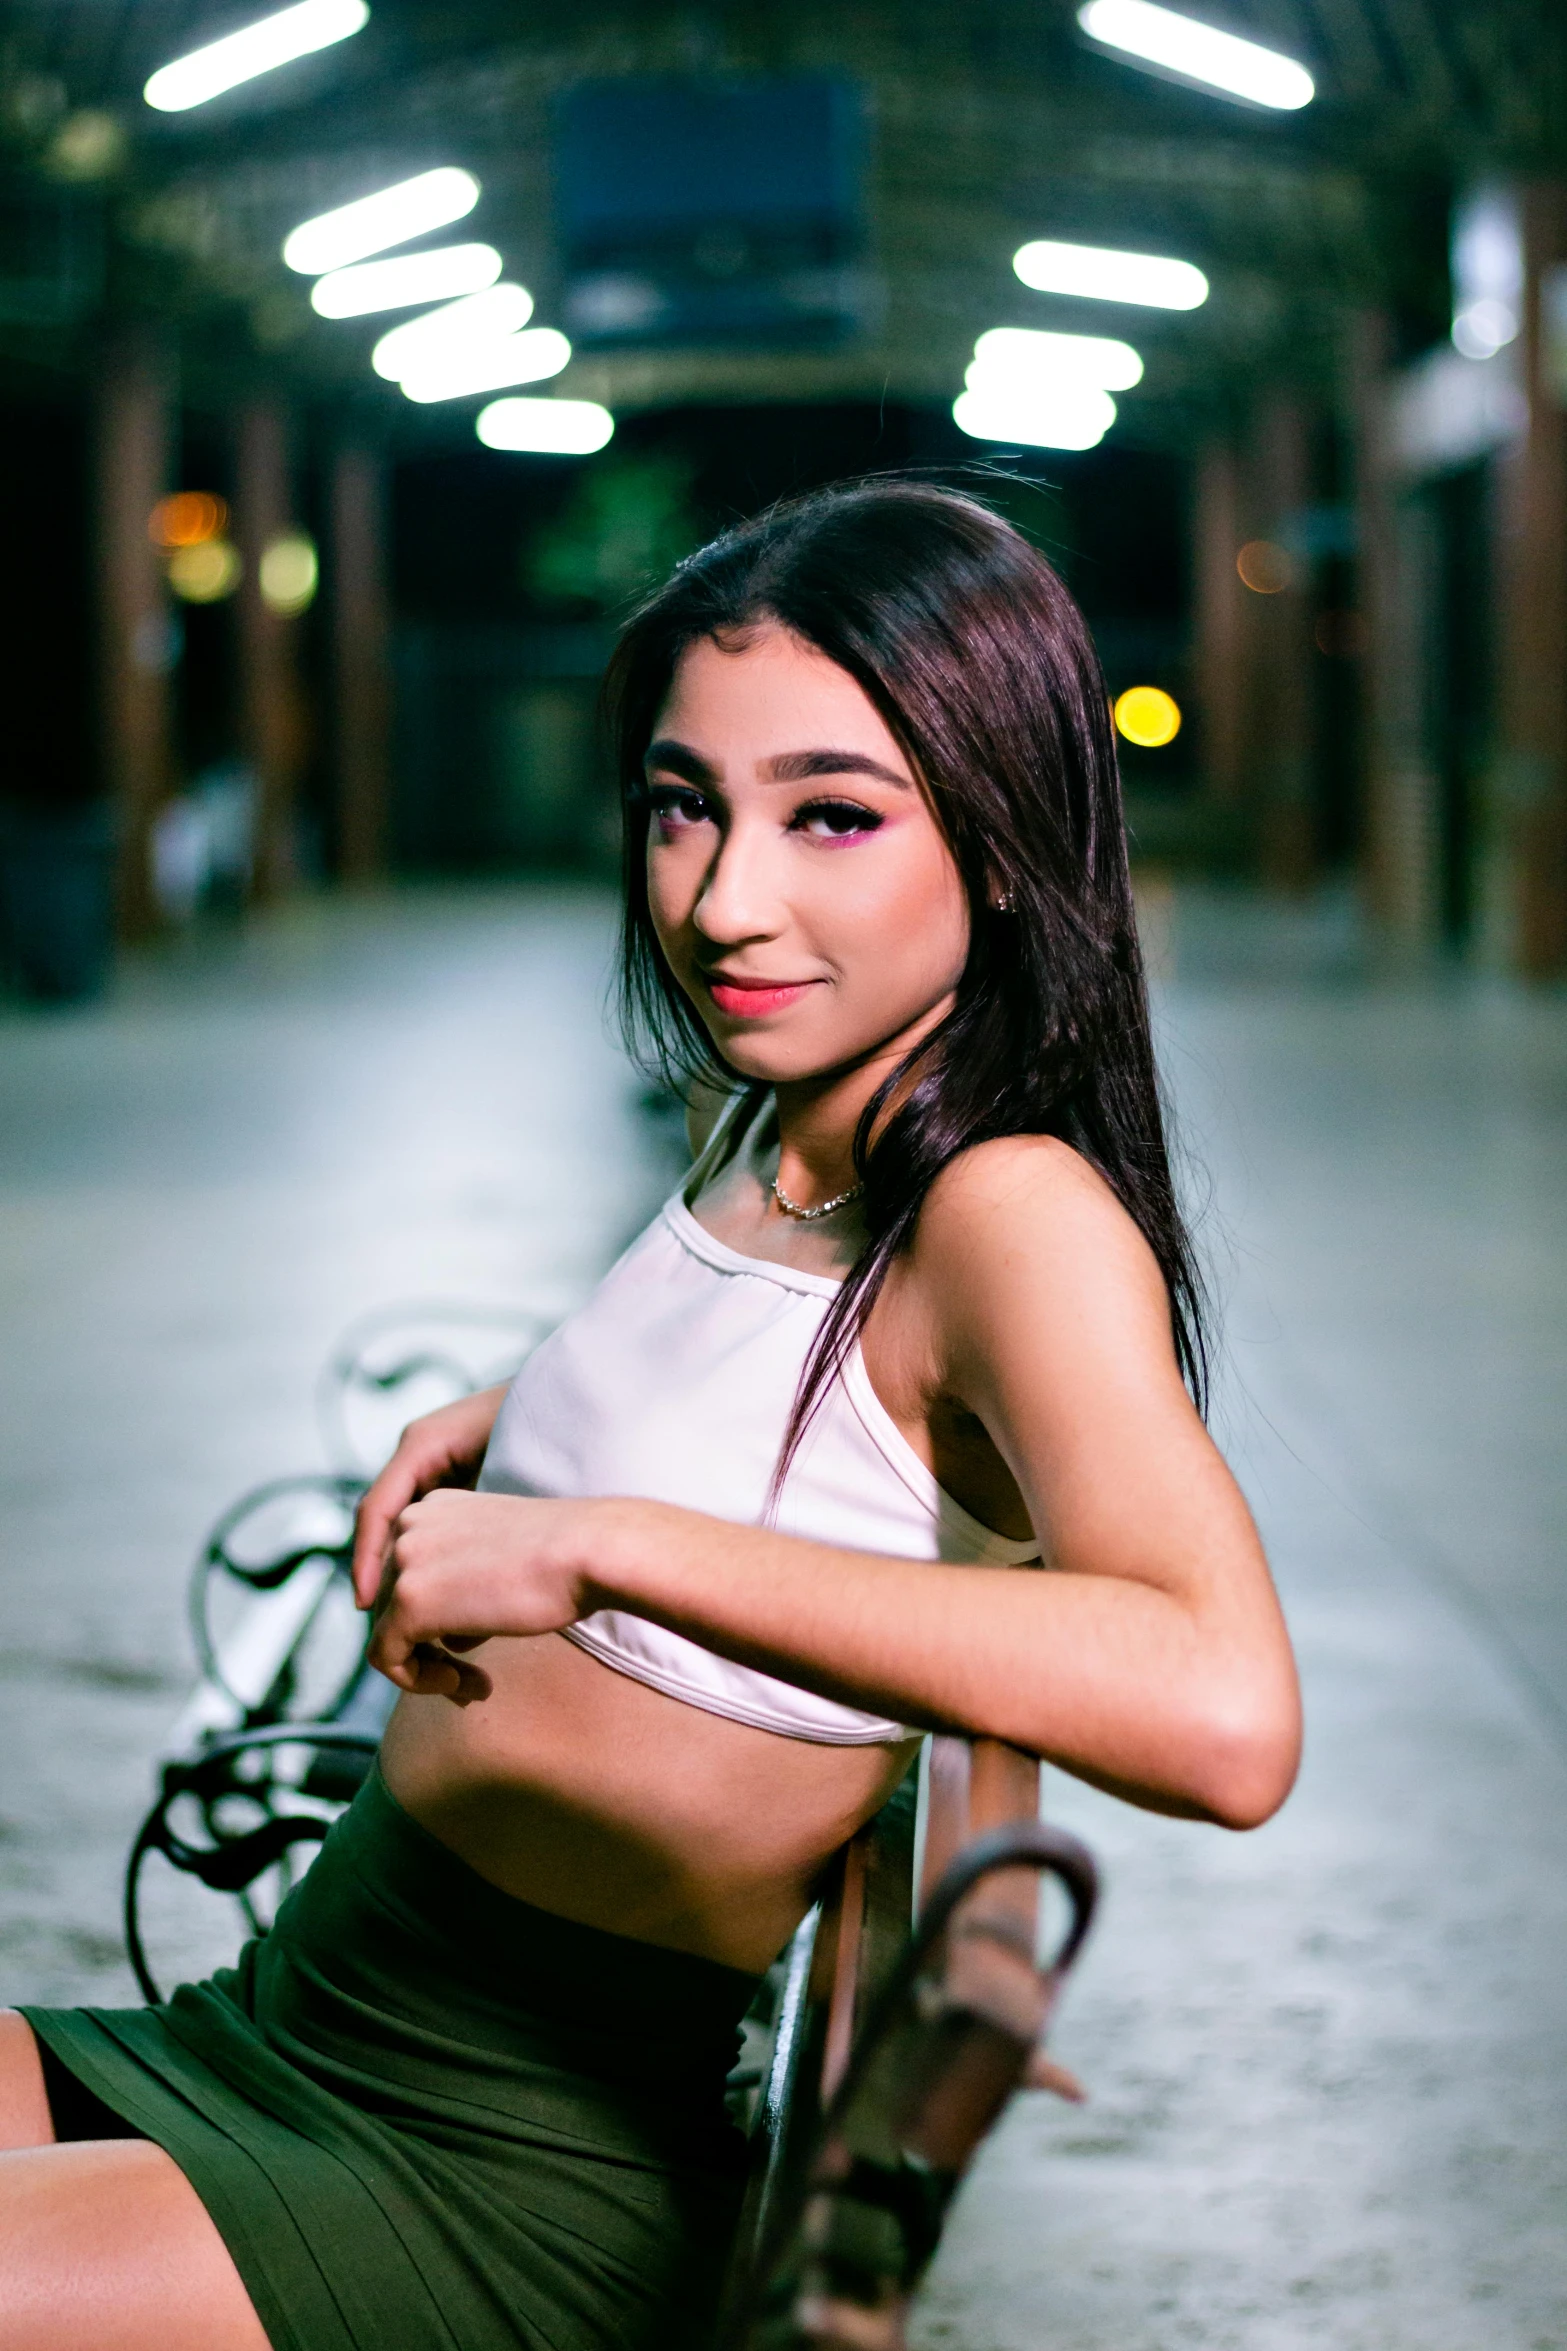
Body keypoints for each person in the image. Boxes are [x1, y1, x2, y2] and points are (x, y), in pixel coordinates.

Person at [0, 481, 1301, 2351]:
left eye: (831, 815)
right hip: (313, 2017)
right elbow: (792, 1400)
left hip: (485, 2169)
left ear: (1005, 840)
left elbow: (1224, 1709)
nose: (721, 898)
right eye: (685, 803)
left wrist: (607, 1543)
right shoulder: (788, 1123)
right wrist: (519, 1414)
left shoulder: (1006, 1214)